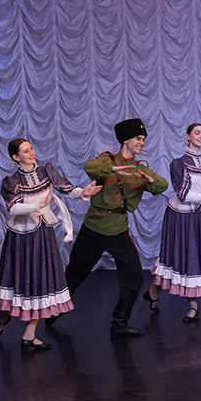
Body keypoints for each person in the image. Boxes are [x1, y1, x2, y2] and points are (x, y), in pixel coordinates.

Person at [0, 139, 100, 350]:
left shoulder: (45, 171)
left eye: (31, 148)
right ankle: (3, 318)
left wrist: (81, 193)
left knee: (41, 281)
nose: (31, 152)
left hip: (42, 234)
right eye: (25, 151)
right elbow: (13, 208)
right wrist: (36, 206)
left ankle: (29, 334)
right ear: (16, 157)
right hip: (21, 237)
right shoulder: (11, 181)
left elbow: (66, 188)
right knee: (14, 280)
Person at [64, 118, 169, 336]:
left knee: (135, 277)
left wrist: (148, 180)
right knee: (74, 274)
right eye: (138, 138)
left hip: (119, 229)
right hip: (94, 227)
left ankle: (119, 323)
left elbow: (162, 185)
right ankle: (53, 312)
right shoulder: (106, 160)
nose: (142, 143)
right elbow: (89, 167)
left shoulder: (140, 169)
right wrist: (113, 169)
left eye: (144, 139)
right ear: (126, 140)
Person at [146, 123, 201, 323]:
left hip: (196, 216)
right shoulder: (179, 163)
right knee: (173, 256)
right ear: (187, 136)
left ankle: (187, 302)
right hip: (178, 216)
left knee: (192, 258)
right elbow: (183, 194)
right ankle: (160, 293)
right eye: (197, 133)